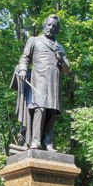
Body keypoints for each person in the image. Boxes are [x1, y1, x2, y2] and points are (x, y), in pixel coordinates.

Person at [11, 15, 70, 151]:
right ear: (45, 25)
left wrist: (60, 59)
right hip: (38, 81)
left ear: (57, 30)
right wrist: (22, 70)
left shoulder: (59, 47)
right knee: (40, 109)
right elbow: (25, 58)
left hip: (54, 83)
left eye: (54, 26)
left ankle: (48, 143)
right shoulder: (34, 40)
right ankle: (36, 141)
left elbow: (66, 70)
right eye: (49, 25)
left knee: (52, 111)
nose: (51, 28)